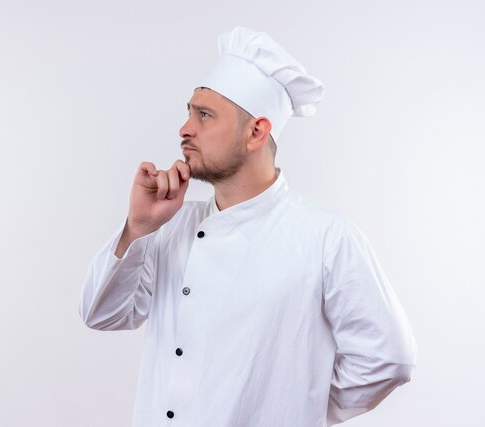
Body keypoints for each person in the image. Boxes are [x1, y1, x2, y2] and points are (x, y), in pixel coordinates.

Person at [79, 26, 417, 427]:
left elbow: (389, 358)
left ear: (256, 132)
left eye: (203, 115)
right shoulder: (172, 225)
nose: (184, 129)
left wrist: (294, 403)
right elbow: (101, 314)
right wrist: (137, 226)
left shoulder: (325, 237)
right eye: (189, 112)